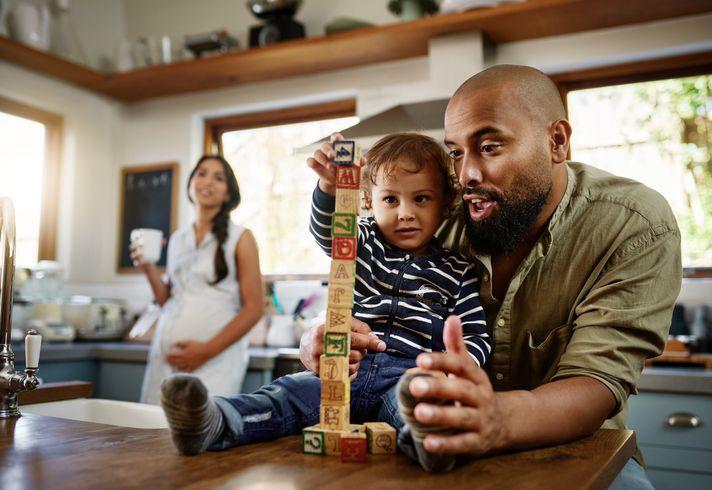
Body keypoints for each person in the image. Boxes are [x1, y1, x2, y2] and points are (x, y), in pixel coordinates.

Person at [299, 65, 681, 487]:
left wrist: (493, 419)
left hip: (578, 449)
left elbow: (595, 382)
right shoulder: (439, 212)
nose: (466, 177)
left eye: (489, 146)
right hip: (439, 444)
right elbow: (359, 267)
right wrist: (322, 337)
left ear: (556, 141)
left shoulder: (633, 225)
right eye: (457, 152)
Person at [158, 133, 490, 472]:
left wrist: (451, 371)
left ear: (446, 203)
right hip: (344, 371)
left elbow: (474, 337)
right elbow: (329, 229)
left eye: (421, 198)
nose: (405, 213)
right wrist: (330, 190)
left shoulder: (459, 270)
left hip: (404, 378)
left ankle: (433, 444)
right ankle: (213, 421)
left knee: (416, 406)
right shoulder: (364, 240)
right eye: (390, 200)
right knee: (286, 393)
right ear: (368, 202)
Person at [133, 155, 264, 405]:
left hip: (215, 363)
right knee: (152, 434)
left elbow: (254, 309)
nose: (207, 181)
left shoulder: (241, 238)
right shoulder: (177, 239)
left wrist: (206, 351)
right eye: (201, 173)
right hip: (165, 358)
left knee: (202, 434)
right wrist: (148, 267)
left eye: (218, 177)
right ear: (191, 184)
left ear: (228, 194)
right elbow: (167, 300)